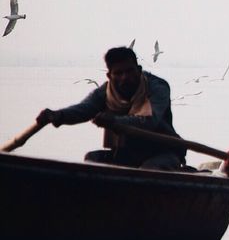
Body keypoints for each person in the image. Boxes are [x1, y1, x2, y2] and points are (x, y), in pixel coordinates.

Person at [36, 46, 185, 169]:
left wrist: (115, 121)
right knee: (92, 160)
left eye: (129, 71)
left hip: (163, 152)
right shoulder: (106, 92)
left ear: (139, 70)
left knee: (150, 169)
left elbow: (149, 121)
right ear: (109, 75)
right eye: (118, 73)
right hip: (126, 154)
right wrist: (57, 115)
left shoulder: (157, 87)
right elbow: (84, 109)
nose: (125, 77)